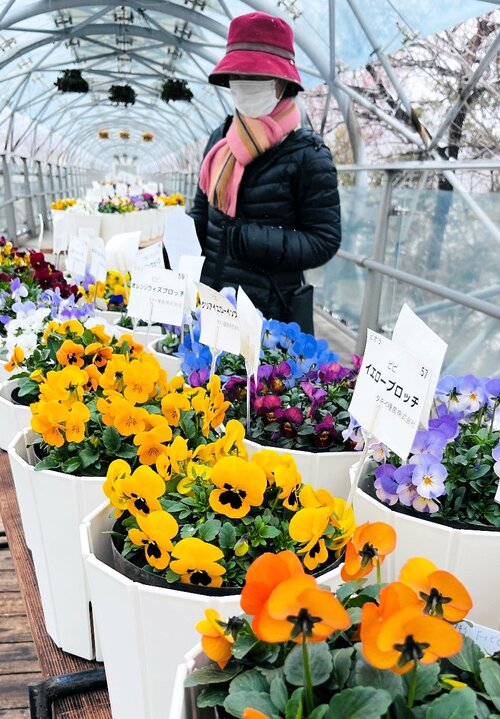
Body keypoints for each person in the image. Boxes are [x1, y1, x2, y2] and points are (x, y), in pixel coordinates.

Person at [189, 11, 341, 332]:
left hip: (269, 314)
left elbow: (324, 239)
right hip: (212, 297)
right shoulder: (221, 139)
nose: (243, 87)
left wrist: (251, 239)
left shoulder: (309, 155)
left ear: (282, 83)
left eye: (256, 79)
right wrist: (181, 240)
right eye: (237, 78)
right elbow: (203, 208)